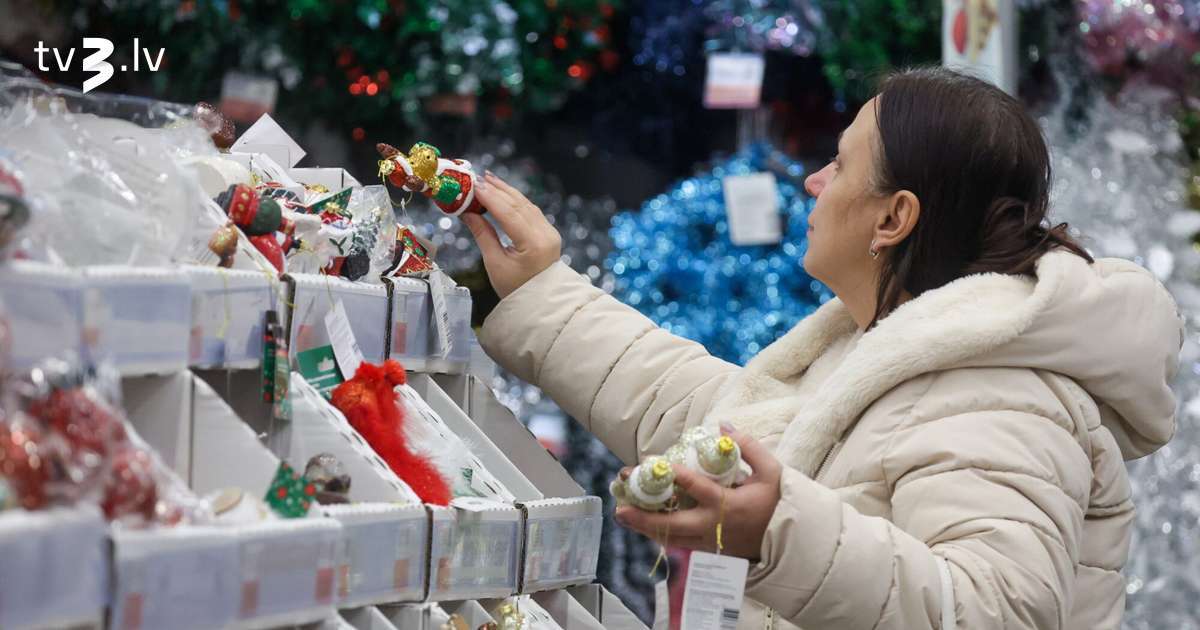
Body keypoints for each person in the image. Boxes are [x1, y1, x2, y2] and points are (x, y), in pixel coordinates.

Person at [461, 67, 1184, 629]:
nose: (812, 182)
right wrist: (539, 290)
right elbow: (697, 404)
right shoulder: (883, 352)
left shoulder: (1009, 395)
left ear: (895, 217)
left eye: (838, 165)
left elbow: (994, 610)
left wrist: (776, 535)